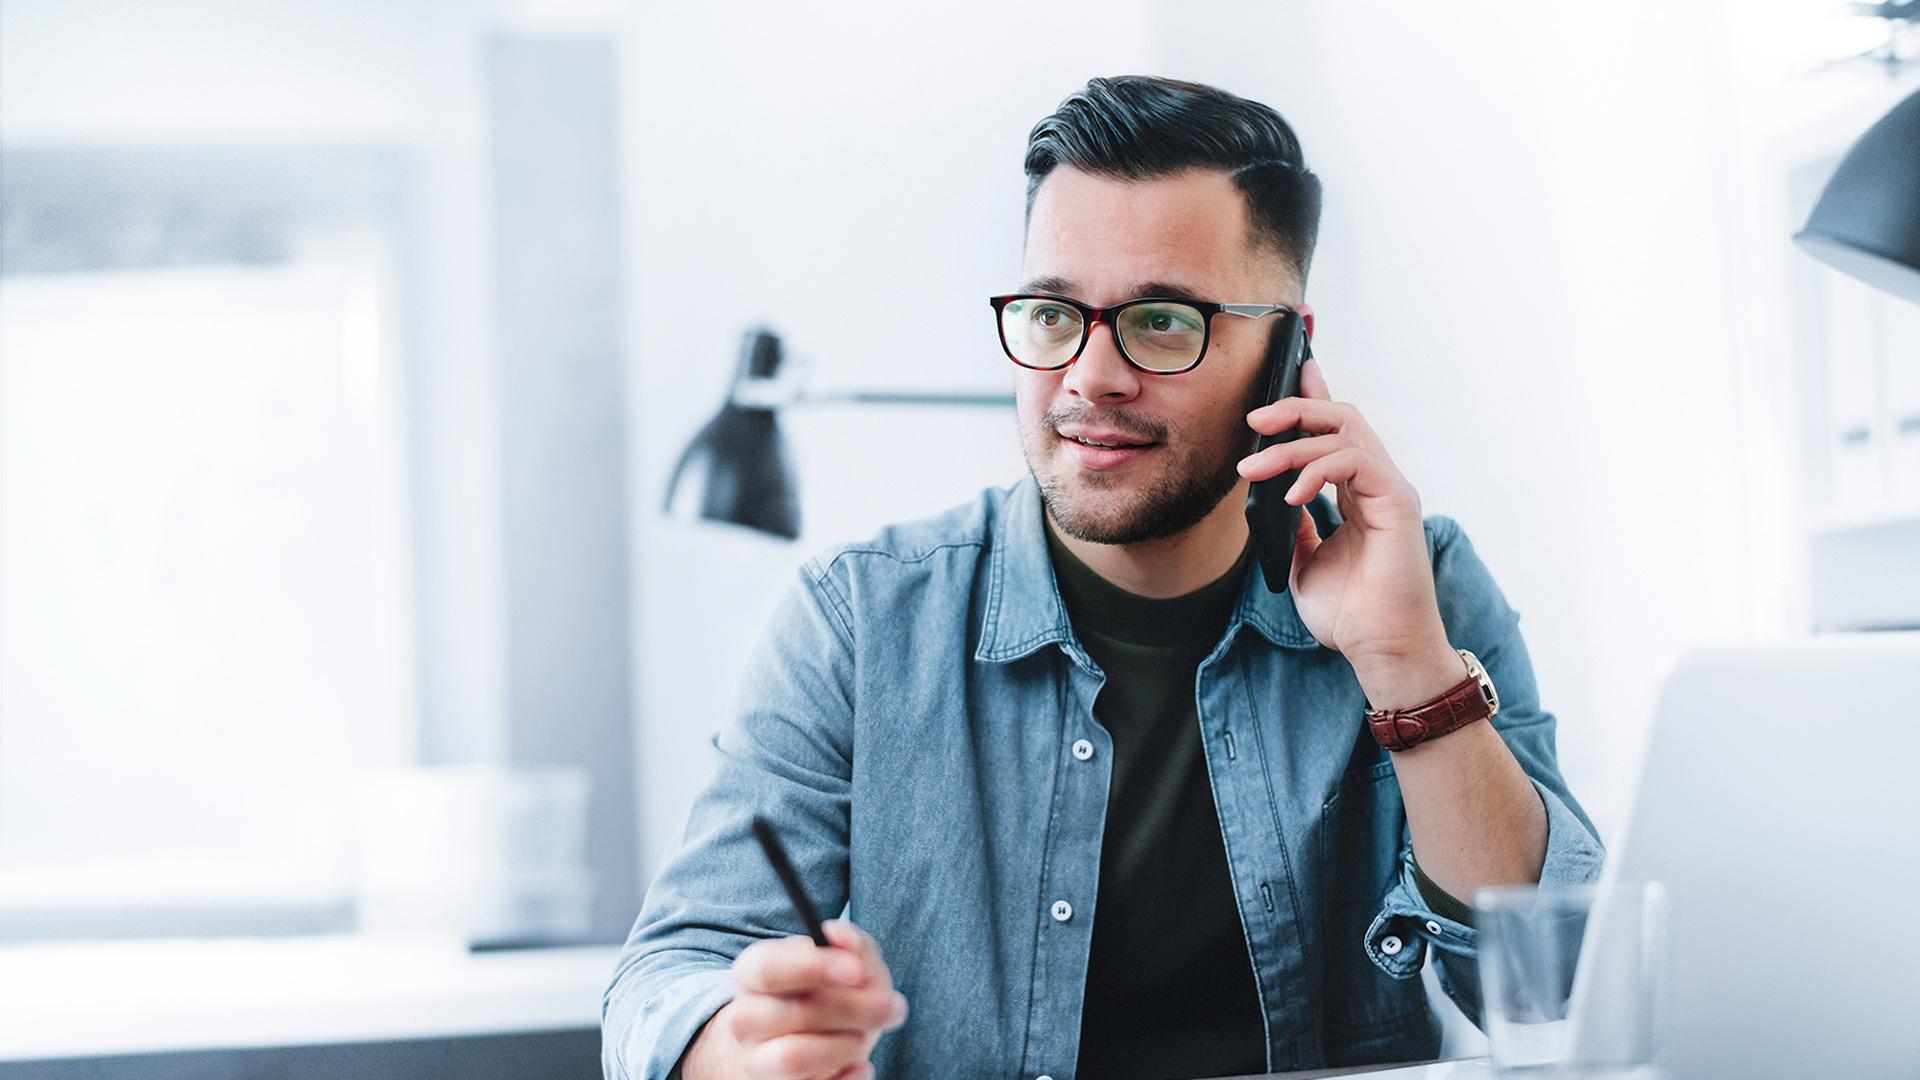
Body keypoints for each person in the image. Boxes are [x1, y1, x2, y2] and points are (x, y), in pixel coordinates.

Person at [602, 75, 1603, 1080]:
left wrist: (1402, 662)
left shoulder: (1416, 585)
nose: (1088, 377)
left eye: (1162, 321)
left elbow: (1558, 992)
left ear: (1286, 353)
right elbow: (667, 976)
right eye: (1051, 314)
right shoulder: (862, 621)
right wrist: (742, 1046)